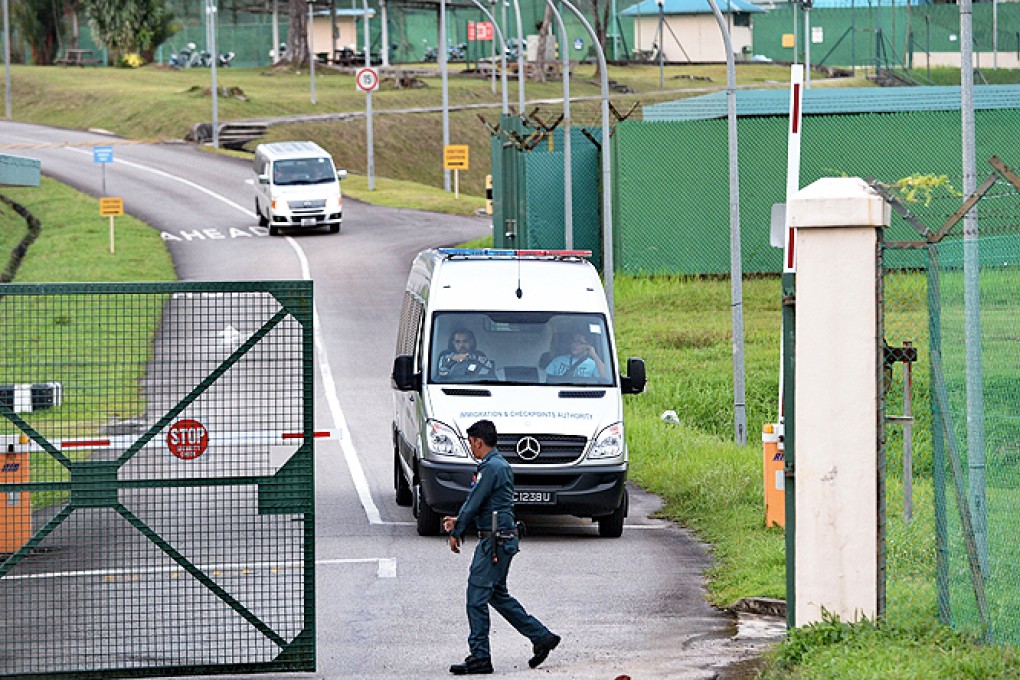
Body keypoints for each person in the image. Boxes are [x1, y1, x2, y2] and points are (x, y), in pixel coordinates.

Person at [443, 420, 560, 675]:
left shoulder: (491, 467)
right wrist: (458, 520)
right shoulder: (497, 465)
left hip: (495, 542)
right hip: (502, 538)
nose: (471, 447)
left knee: (476, 597)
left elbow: (474, 502)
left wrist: (458, 530)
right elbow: (485, 503)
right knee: (497, 595)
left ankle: (480, 657)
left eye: (471, 442)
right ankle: (541, 636)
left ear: (478, 441)